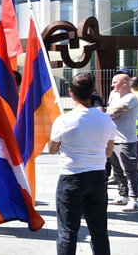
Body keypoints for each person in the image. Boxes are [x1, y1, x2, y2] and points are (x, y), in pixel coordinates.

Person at [49, 73, 116, 255]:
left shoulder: (64, 120)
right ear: (93, 92)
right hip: (97, 177)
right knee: (99, 231)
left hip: (72, 177)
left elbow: (53, 149)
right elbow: (108, 152)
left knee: (67, 232)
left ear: (70, 92)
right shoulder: (105, 119)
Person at [106, 72, 138, 212]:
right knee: (117, 170)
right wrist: (111, 112)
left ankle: (134, 200)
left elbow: (115, 112)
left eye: (115, 82)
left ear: (125, 83)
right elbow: (110, 110)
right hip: (112, 138)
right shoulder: (113, 95)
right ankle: (123, 195)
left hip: (126, 140)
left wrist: (110, 113)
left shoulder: (131, 98)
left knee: (130, 171)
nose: (112, 84)